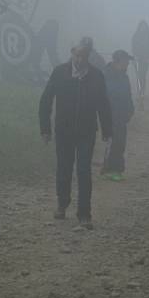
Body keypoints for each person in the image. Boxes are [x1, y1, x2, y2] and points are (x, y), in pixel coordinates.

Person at [39, 39, 113, 229]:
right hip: (64, 130)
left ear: (89, 56)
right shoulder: (60, 72)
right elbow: (46, 100)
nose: (79, 59)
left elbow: (103, 104)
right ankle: (62, 204)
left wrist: (107, 129)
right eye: (77, 55)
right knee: (64, 168)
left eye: (83, 56)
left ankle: (84, 213)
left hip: (86, 130)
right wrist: (45, 128)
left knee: (83, 170)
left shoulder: (96, 76)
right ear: (72, 53)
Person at [102, 50, 135, 181]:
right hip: (110, 114)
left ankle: (117, 169)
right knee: (113, 142)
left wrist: (130, 109)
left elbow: (128, 94)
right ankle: (109, 169)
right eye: (126, 61)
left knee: (121, 142)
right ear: (118, 61)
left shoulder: (124, 76)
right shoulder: (106, 75)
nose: (128, 64)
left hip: (122, 115)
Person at [131, 20, 149, 101]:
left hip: (145, 59)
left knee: (143, 76)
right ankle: (139, 92)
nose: (143, 28)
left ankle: (142, 92)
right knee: (139, 76)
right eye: (142, 26)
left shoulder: (148, 36)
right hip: (137, 59)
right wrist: (135, 56)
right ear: (139, 27)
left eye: (144, 26)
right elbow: (133, 47)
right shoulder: (135, 36)